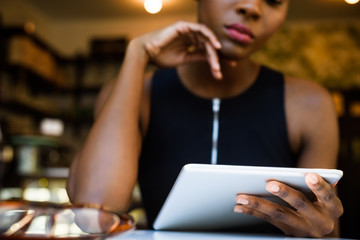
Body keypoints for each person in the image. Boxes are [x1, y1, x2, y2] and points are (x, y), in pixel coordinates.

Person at [67, 0, 344, 237]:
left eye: (273, 0)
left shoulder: (310, 104)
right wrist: (137, 54)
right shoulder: (133, 94)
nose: (252, 7)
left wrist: (322, 231)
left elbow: (324, 227)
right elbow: (95, 217)